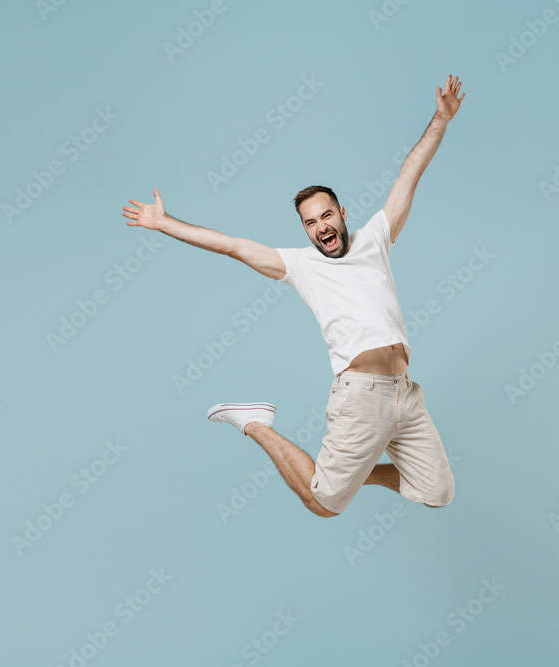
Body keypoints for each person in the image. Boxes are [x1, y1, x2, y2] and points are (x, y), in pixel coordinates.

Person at [122, 75, 465, 517]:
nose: (321, 227)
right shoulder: (302, 265)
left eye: (326, 215)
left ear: (342, 214)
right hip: (360, 394)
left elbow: (409, 174)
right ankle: (255, 424)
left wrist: (440, 120)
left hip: (405, 392)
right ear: (306, 231)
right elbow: (232, 245)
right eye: (310, 223)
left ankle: (349, 472)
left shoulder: (376, 238)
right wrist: (166, 223)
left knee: (437, 490)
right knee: (323, 502)